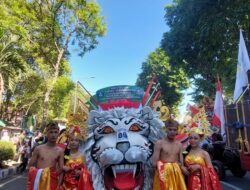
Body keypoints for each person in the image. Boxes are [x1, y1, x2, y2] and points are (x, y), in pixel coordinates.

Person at [27, 122, 64, 190]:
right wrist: (31, 182)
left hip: (52, 182)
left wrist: (58, 186)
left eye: (55, 132)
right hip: (38, 181)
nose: (53, 135)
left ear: (58, 134)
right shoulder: (38, 149)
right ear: (46, 134)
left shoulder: (60, 151)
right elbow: (29, 167)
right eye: (51, 132)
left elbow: (61, 170)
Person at [152, 119, 187, 190]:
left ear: (177, 131)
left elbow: (181, 164)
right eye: (170, 129)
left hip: (176, 176)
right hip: (163, 176)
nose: (172, 132)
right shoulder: (159, 143)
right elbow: (154, 163)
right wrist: (168, 166)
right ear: (166, 130)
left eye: (174, 130)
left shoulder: (179, 145)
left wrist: (179, 166)